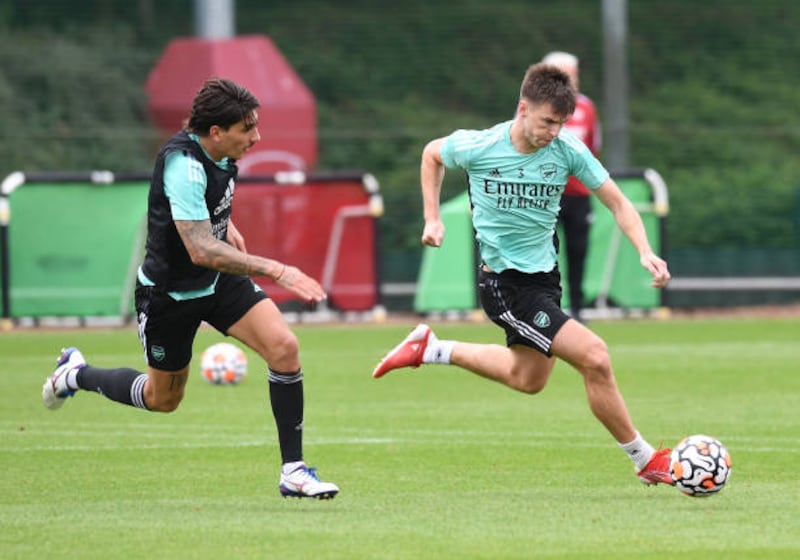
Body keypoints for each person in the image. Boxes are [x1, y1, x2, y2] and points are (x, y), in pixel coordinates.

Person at [372, 63, 674, 486]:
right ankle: (644, 459)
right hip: (505, 286)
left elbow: (619, 203)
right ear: (523, 108)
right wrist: (432, 218)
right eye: (548, 121)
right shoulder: (481, 145)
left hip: (545, 280)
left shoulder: (568, 150)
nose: (554, 132)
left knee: (527, 378)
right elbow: (432, 154)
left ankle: (432, 349)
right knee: (595, 357)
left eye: (561, 124)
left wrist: (645, 251)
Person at [42, 77, 338, 500]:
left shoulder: (215, 146)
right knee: (162, 399)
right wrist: (276, 268)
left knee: (284, 348)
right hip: (169, 296)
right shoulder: (184, 164)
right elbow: (200, 249)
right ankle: (76, 374)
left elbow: (205, 205)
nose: (256, 137)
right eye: (247, 129)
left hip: (217, 283)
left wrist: (226, 222)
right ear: (216, 131)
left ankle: (293, 471)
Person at [542, 51, 601, 322]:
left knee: (578, 251)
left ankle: (577, 309)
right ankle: (547, 307)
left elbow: (594, 147)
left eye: (573, 74)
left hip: (578, 194)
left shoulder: (587, 107)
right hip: (544, 193)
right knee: (544, 252)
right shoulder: (534, 106)